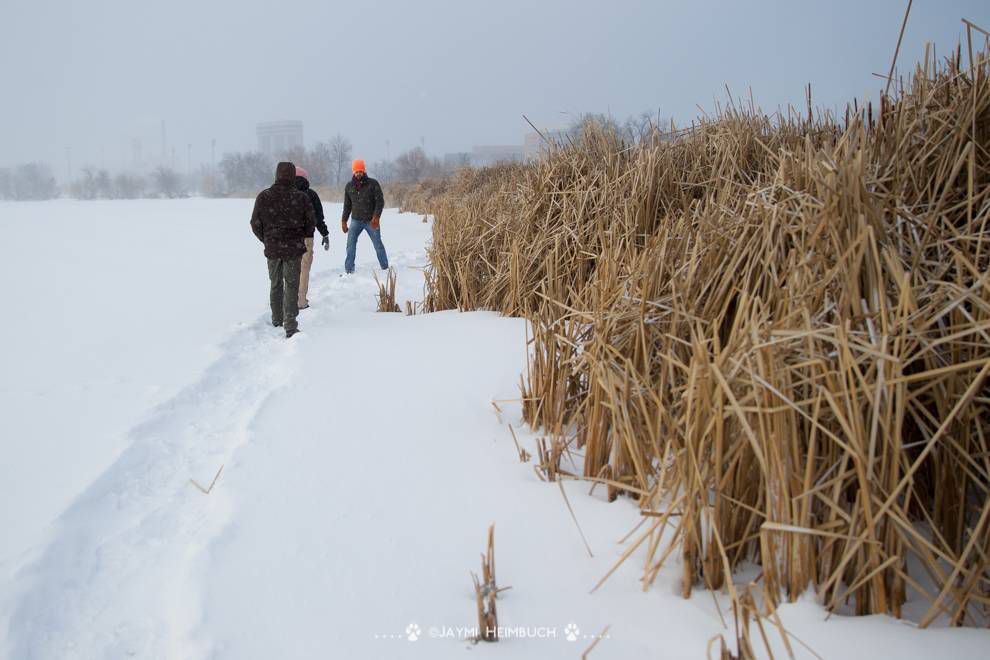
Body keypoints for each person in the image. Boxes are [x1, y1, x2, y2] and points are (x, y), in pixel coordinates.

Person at [250, 162, 315, 338]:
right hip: (293, 249)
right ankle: (290, 324)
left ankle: (277, 318)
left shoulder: (264, 197)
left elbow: (254, 223)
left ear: (277, 175)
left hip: (272, 248)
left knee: (276, 284)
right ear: (293, 176)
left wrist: (266, 239)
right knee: (292, 285)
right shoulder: (301, 198)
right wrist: (301, 237)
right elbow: (310, 224)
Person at [341, 159, 388, 273]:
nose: (358, 174)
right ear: (353, 172)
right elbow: (347, 205)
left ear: (364, 171)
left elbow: (380, 202)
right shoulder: (349, 186)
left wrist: (376, 217)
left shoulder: (373, 184)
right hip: (355, 221)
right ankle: (349, 270)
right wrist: (344, 220)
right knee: (350, 245)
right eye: (356, 171)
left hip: (371, 221)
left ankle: (385, 268)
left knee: (378, 244)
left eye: (360, 171)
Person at [293, 165, 330, 310]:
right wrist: (325, 234)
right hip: (307, 237)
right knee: (304, 269)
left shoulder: (286, 194)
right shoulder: (311, 195)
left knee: (289, 271)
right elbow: (319, 218)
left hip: (288, 238)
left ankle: (287, 301)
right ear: (305, 178)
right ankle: (301, 301)